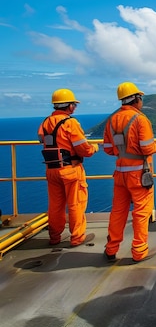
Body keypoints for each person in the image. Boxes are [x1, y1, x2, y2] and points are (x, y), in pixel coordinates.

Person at [102, 82, 156, 263]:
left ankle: (111, 249)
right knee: (141, 212)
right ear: (136, 99)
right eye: (141, 98)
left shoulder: (111, 120)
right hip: (139, 175)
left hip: (120, 173)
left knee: (118, 211)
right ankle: (139, 250)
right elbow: (147, 148)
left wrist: (124, 152)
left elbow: (108, 148)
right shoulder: (140, 119)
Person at [38, 88, 99, 247]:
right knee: (76, 204)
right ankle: (77, 237)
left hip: (51, 170)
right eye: (74, 105)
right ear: (69, 106)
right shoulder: (70, 123)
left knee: (55, 205)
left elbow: (41, 139)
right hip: (70, 170)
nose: (75, 108)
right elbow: (83, 149)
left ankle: (54, 237)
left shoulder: (45, 123)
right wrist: (94, 148)